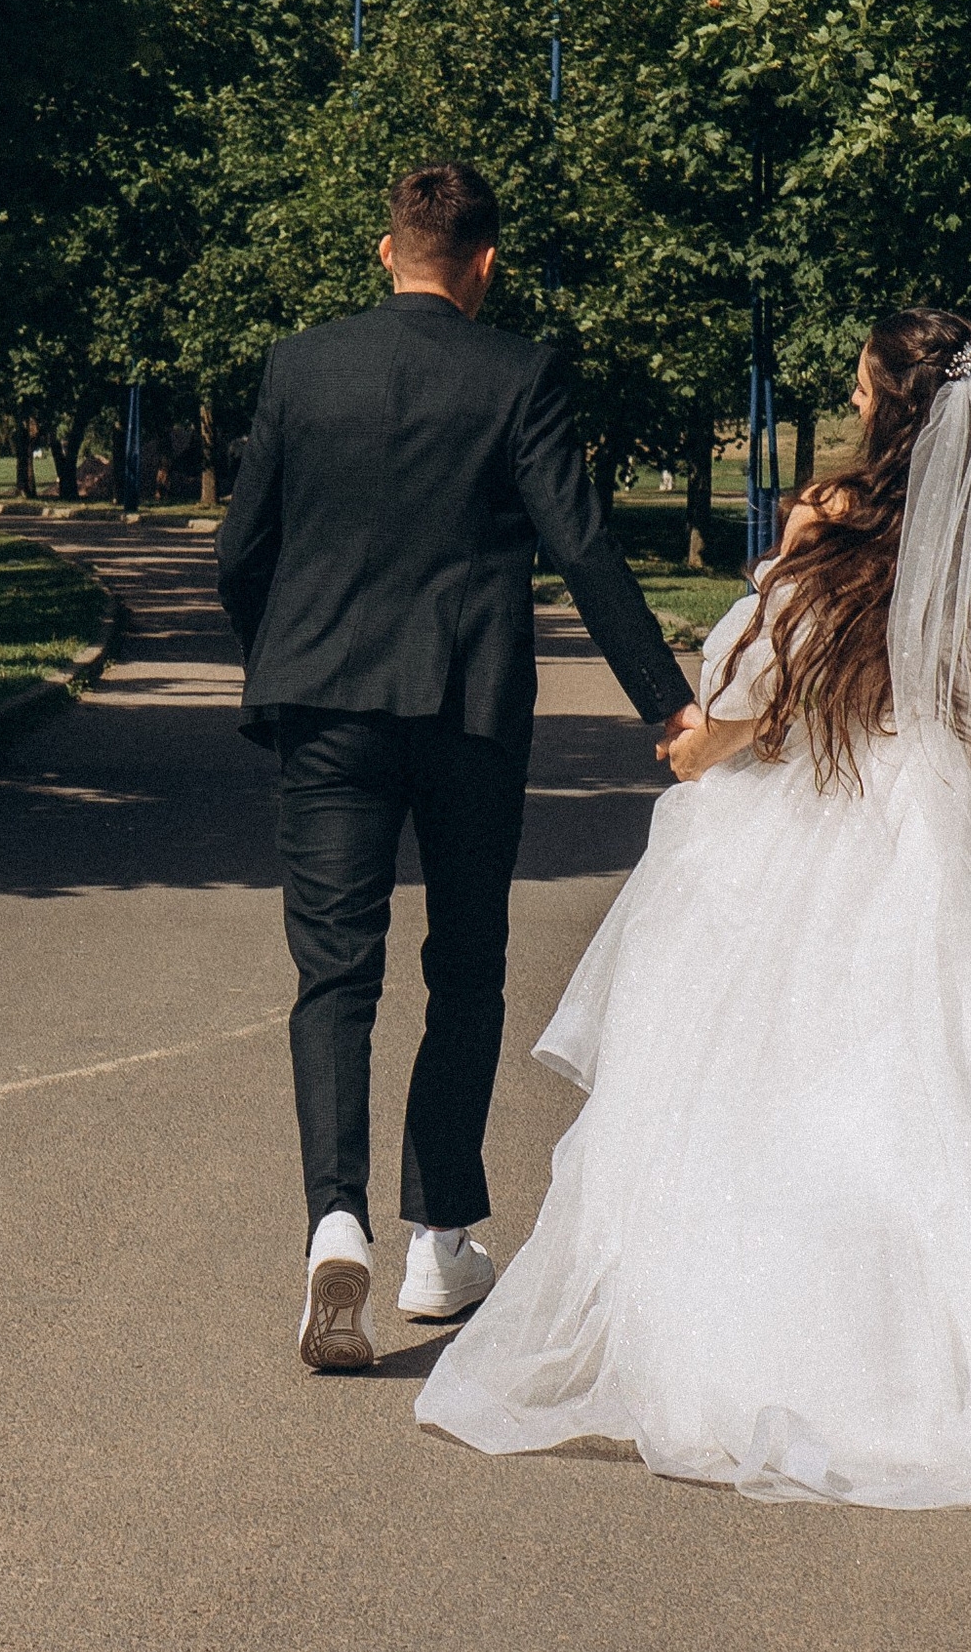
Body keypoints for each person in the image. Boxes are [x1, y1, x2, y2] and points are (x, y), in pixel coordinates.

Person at [417, 307, 971, 1511]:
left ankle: (798, 1343)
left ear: (887, 406)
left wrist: (711, 743)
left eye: (858, 386)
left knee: (802, 1084)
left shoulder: (825, 523)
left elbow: (752, 687)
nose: (851, 402)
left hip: (830, 818)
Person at [217, 162, 701, 1371]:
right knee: (465, 967)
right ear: (486, 263)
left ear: (388, 252)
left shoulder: (298, 367)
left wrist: (283, 658)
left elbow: (243, 549)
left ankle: (337, 1222)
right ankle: (439, 1237)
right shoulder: (517, 375)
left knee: (334, 976)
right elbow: (581, 547)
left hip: (322, 705)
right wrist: (668, 707)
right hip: (467, 713)